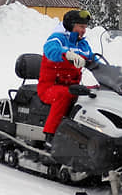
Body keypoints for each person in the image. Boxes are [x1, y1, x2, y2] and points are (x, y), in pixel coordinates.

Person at [37, 9, 95, 147]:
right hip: (49, 87)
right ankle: (51, 135)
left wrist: (114, 71)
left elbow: (94, 60)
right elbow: (50, 51)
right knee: (64, 95)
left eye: (85, 27)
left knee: (94, 94)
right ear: (71, 25)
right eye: (81, 27)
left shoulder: (83, 44)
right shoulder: (57, 38)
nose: (83, 30)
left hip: (72, 86)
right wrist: (67, 54)